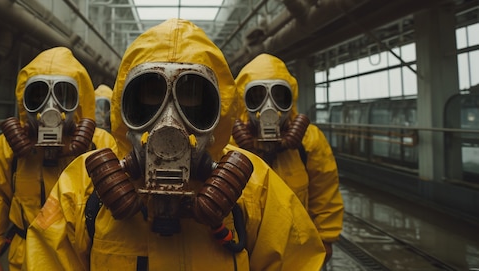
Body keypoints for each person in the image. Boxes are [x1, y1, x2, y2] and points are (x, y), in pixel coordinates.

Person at [23, 19, 325, 270]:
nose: (170, 123)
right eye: (151, 98)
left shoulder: (255, 186)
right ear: (123, 108)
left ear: (218, 112)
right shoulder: (80, 187)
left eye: (191, 98)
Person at [0, 47, 117, 271]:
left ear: (80, 99)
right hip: (25, 260)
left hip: (83, 258)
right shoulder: (6, 149)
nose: (50, 107)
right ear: (24, 101)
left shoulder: (100, 145)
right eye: (38, 96)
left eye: (64, 96)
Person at [231, 53, 344, 265]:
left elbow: (325, 191)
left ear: (290, 99)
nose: (268, 106)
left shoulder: (309, 141)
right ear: (242, 100)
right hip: (243, 249)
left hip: (297, 252)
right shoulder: (229, 141)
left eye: (279, 96)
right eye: (256, 96)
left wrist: (326, 238)